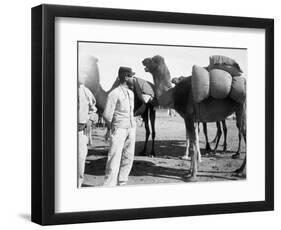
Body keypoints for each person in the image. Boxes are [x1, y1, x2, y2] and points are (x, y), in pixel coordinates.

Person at [103, 66, 136, 186]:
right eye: (131, 76)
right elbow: (107, 115)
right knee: (114, 157)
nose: (133, 78)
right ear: (126, 77)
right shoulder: (114, 93)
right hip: (119, 129)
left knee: (128, 157)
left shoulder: (131, 94)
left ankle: (122, 182)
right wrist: (113, 128)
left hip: (131, 129)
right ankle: (109, 186)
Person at [78, 71, 97, 187]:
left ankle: (77, 187)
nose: (84, 76)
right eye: (81, 73)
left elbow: (93, 110)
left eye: (85, 74)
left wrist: (90, 119)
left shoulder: (86, 92)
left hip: (80, 132)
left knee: (80, 163)